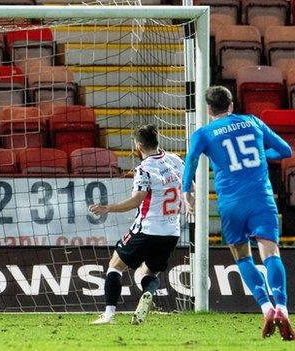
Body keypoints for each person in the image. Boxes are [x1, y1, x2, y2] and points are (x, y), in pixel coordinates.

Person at [182, 86, 293, 340]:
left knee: (242, 256)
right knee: (271, 252)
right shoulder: (253, 121)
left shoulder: (203, 133)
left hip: (232, 204)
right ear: (231, 105)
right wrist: (261, 156)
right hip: (262, 199)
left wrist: (186, 192)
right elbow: (286, 150)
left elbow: (190, 162)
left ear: (209, 109)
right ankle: (283, 307)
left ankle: (265, 307)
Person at [90, 124, 184, 325]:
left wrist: (107, 208)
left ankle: (108, 315)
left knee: (115, 266)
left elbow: (136, 200)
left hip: (147, 228)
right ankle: (148, 293)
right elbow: (190, 187)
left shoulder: (144, 168)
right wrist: (190, 204)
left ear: (138, 146)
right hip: (172, 232)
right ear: (157, 141)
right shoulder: (176, 160)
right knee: (147, 272)